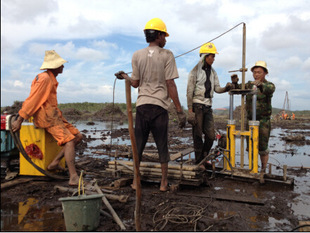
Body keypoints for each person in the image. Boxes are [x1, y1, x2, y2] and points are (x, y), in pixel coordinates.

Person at [115, 18, 186, 192]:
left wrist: (125, 76)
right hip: (160, 106)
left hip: (142, 106)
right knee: (162, 144)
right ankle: (163, 183)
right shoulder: (167, 55)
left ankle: (135, 181)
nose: (166, 40)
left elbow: (135, 83)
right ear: (159, 35)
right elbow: (170, 83)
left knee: (138, 145)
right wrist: (179, 110)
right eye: (165, 36)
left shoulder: (137, 55)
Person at [11, 50, 83, 186]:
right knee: (69, 141)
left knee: (78, 137)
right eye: (61, 64)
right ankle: (73, 177)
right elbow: (33, 100)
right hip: (47, 117)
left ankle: (54, 162)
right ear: (54, 66)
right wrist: (20, 119)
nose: (63, 66)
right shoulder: (44, 79)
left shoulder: (50, 79)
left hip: (54, 115)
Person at [187, 42, 233, 168]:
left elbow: (217, 88)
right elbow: (189, 91)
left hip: (208, 107)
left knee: (211, 136)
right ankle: (199, 161)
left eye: (214, 56)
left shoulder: (213, 72)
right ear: (205, 56)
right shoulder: (194, 71)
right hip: (197, 106)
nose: (213, 59)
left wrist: (226, 88)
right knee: (197, 135)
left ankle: (204, 157)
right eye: (211, 56)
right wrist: (190, 110)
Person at [232, 61, 275, 172]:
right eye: (254, 72)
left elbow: (269, 89)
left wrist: (260, 85)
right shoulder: (249, 84)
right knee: (250, 145)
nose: (256, 75)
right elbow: (239, 89)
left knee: (262, 146)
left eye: (259, 72)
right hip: (250, 120)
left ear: (265, 73)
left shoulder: (269, 85)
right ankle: (252, 167)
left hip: (263, 121)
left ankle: (263, 169)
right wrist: (235, 83)